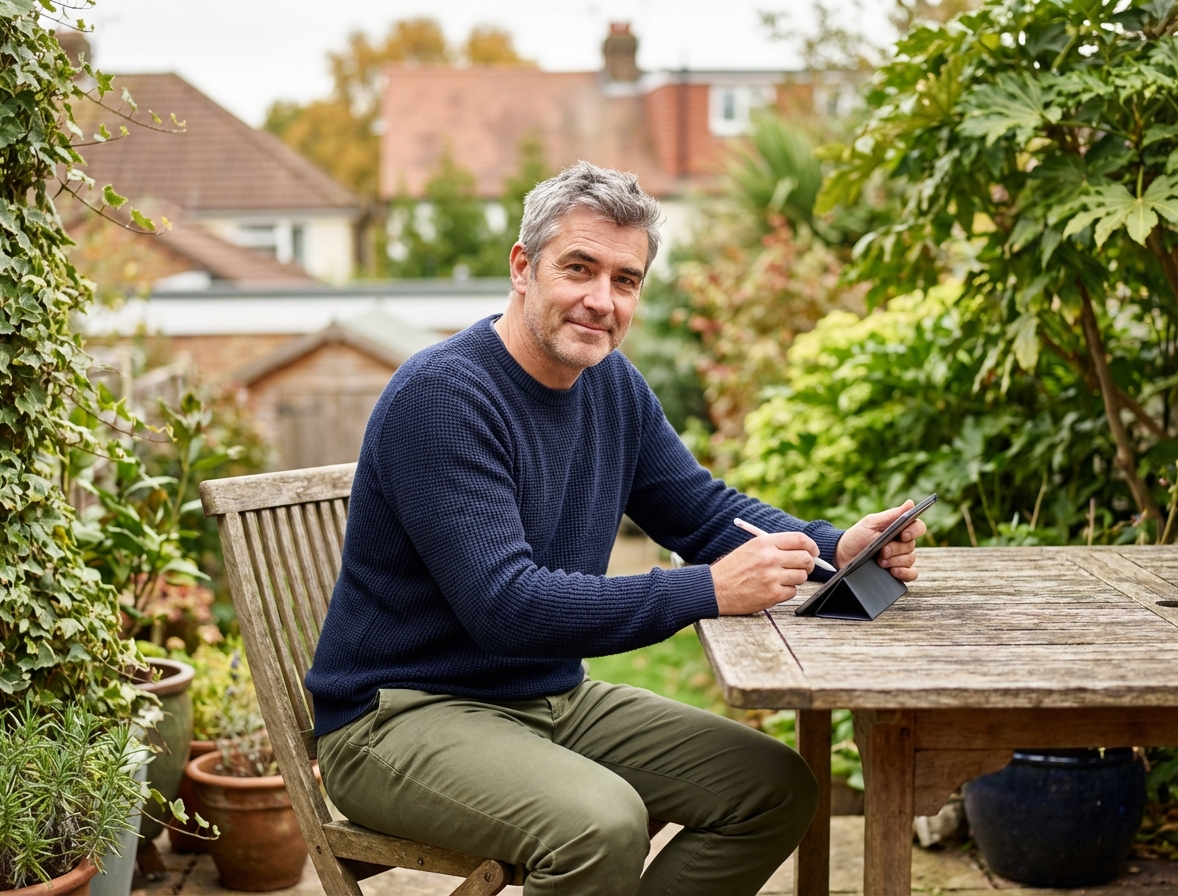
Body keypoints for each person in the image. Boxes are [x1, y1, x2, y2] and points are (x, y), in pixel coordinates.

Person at [306, 161, 926, 896]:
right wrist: (705, 590)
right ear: (522, 268)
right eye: (579, 269)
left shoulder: (611, 384)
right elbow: (507, 607)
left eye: (625, 280)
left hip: (544, 697)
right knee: (600, 825)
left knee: (773, 788)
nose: (602, 300)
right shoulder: (443, 397)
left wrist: (833, 547)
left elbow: (698, 509)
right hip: (398, 718)